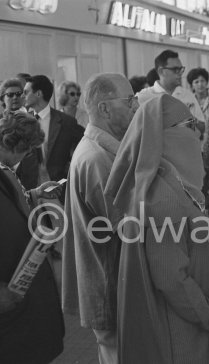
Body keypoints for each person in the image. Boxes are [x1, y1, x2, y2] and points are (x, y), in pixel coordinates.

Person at [104, 94, 209, 364]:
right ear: (162, 137)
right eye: (189, 126)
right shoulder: (163, 198)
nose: (197, 134)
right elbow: (172, 280)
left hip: (187, 321)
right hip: (180, 334)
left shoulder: (172, 183)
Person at [62, 73, 139, 364]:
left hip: (112, 283)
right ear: (105, 108)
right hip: (110, 286)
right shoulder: (96, 158)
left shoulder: (102, 151)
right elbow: (129, 228)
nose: (135, 108)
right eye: (130, 100)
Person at [0, 111, 64, 363]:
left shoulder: (5, 171)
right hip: (11, 305)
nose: (27, 158)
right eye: (27, 151)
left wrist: (34, 194)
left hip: (24, 301)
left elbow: (12, 205)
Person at [18, 75, 84, 190]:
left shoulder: (67, 122)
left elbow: (80, 153)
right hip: (29, 192)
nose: (22, 96)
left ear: (38, 94)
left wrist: (65, 179)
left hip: (59, 191)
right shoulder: (22, 122)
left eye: (26, 92)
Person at [137, 49, 206, 132]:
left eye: (181, 69)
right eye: (175, 69)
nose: (180, 73)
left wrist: (189, 119)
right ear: (161, 71)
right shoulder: (144, 97)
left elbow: (202, 128)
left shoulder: (187, 95)